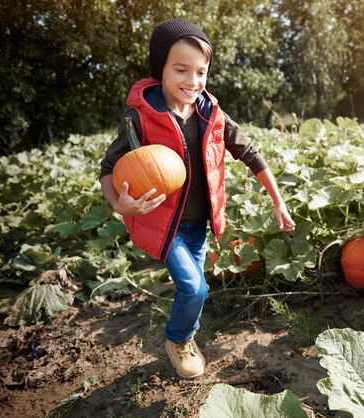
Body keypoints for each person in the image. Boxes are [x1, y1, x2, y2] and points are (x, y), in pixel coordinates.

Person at [99, 18, 296, 379]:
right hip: (162, 223)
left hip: (199, 223)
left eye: (201, 71)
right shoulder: (140, 117)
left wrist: (278, 201)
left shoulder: (212, 114)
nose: (192, 81)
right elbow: (108, 167)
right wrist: (118, 203)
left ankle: (186, 333)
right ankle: (178, 340)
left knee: (195, 290)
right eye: (181, 70)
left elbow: (250, 154)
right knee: (195, 287)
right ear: (160, 69)